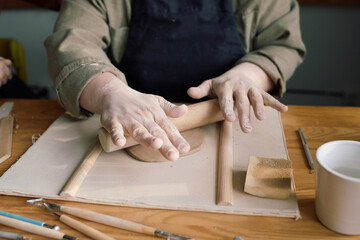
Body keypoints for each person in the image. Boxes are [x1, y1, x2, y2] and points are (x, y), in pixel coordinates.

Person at [45, 0, 306, 161]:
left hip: (232, 121)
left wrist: (247, 75)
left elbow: (282, 44)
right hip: (127, 122)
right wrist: (107, 92)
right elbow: (72, 44)